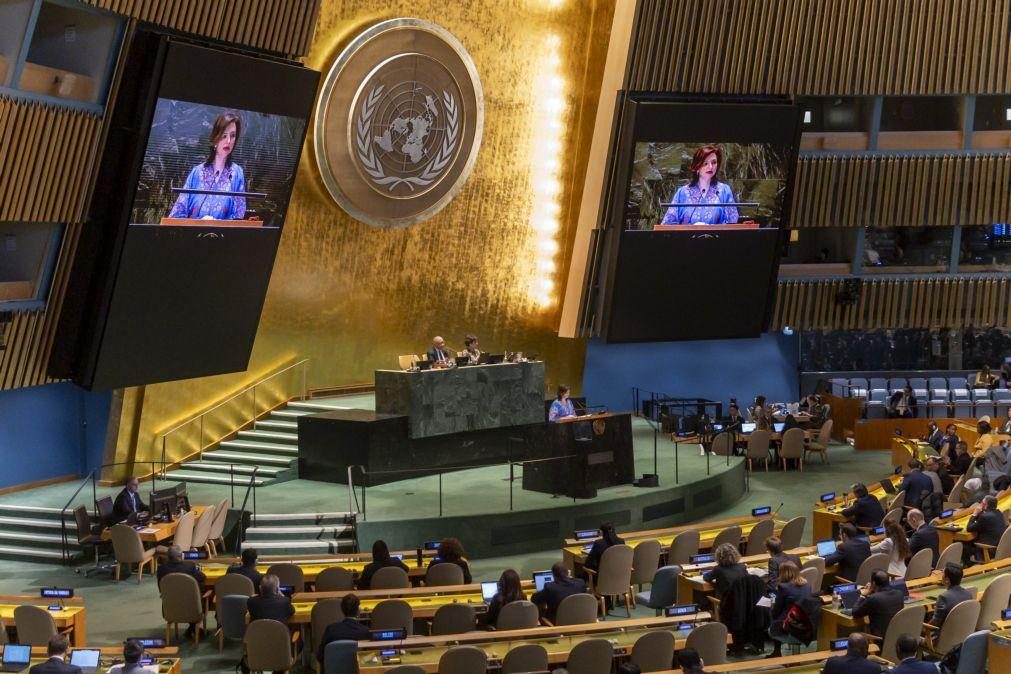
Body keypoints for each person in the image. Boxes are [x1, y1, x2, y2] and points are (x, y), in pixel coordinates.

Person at [168, 111, 246, 220]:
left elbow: (239, 217)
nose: (228, 141)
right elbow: (178, 213)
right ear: (215, 138)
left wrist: (216, 224)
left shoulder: (237, 173)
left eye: (232, 136)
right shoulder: (197, 172)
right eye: (224, 135)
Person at [660, 145, 739, 225]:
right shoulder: (682, 192)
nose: (710, 167)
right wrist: (692, 229)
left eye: (714, 162)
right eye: (705, 163)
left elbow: (733, 223)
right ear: (697, 166)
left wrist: (709, 228)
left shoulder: (724, 190)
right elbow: (667, 224)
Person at [767, 562, 812, 658]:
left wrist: (771, 607)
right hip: (806, 623)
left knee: (771, 613)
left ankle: (776, 651)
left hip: (789, 625)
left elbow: (776, 611)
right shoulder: (807, 585)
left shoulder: (783, 587)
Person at [316, 594, 371, 665]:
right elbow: (368, 659)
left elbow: (320, 656)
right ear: (358, 611)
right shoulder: (366, 631)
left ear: (342, 610)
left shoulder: (331, 629)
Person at [851, 570, 904, 638]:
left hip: (879, 639)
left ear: (873, 583)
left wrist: (863, 595)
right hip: (896, 635)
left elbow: (855, 613)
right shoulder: (899, 594)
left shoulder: (874, 598)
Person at [929, 563, 974, 627]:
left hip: (944, 634)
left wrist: (923, 626)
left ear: (947, 580)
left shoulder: (943, 597)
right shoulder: (969, 594)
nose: (941, 576)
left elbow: (936, 622)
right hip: (963, 631)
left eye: (943, 574)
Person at [967, 494, 1009, 559]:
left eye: (982, 503)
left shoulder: (985, 517)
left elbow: (969, 528)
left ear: (986, 505)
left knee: (965, 548)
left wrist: (974, 514)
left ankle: (969, 567)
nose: (980, 504)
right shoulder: (999, 513)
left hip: (987, 550)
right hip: (998, 547)